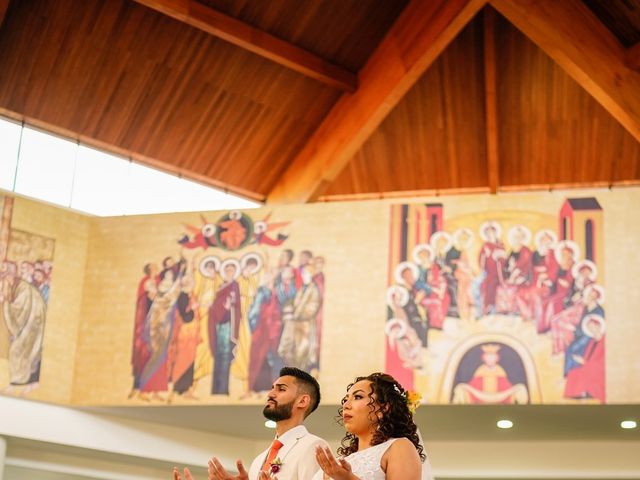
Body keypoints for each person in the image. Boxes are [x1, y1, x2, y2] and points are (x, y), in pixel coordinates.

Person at [174, 367, 328, 480]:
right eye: (272, 388)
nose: (270, 394)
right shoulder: (258, 460)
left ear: (302, 401)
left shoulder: (314, 447)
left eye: (281, 389)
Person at [313, 372, 429, 480]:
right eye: (345, 399)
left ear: (383, 409)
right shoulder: (338, 464)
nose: (346, 405)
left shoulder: (399, 447)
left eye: (358, 397)